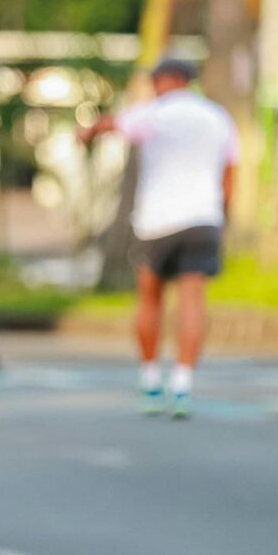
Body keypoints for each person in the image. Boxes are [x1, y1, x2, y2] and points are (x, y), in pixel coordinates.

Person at [82, 59, 238, 418]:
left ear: (172, 80)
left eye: (157, 79)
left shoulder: (155, 113)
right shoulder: (218, 118)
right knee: (192, 300)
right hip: (203, 218)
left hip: (157, 222)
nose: (154, 86)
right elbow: (231, 174)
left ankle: (151, 379)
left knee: (150, 298)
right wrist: (222, 216)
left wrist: (86, 132)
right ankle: (183, 384)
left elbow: (113, 124)